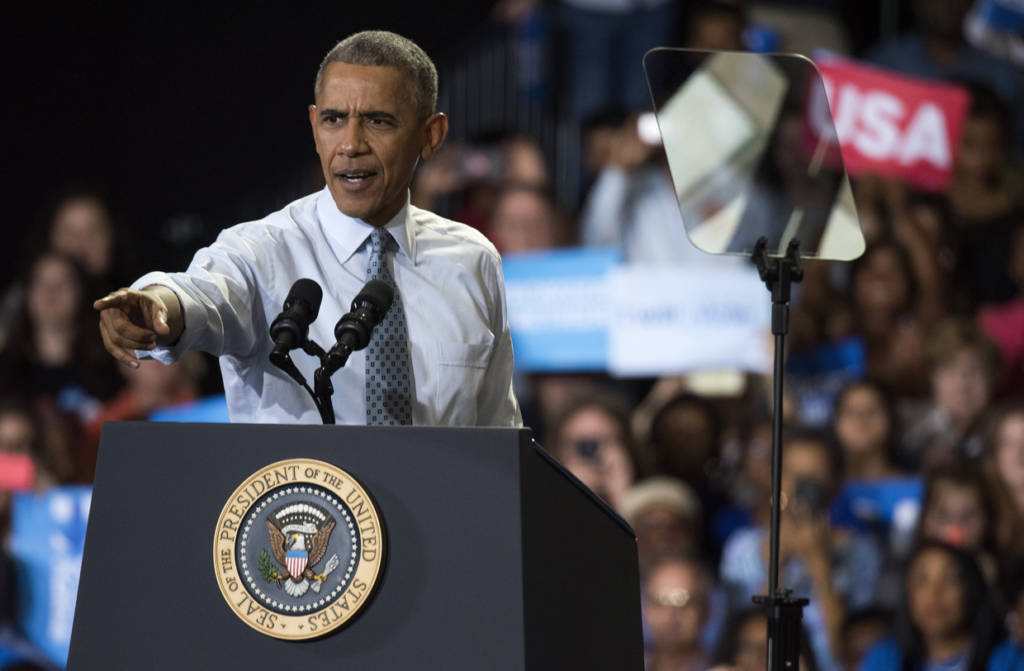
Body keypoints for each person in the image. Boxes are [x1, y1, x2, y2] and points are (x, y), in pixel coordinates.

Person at [93, 31, 521, 427]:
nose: (351, 144)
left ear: (431, 135)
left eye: (378, 121)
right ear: (315, 127)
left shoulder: (472, 260)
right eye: (334, 120)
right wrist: (157, 304)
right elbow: (204, 293)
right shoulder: (262, 250)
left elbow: (501, 437)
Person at [859, 540, 1002, 671]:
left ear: (970, 589)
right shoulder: (884, 660)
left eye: (950, 579)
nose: (934, 594)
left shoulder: (1007, 660)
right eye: (922, 581)